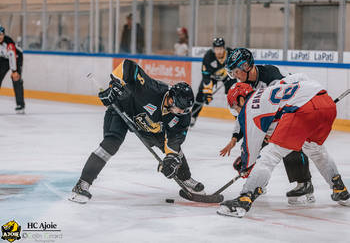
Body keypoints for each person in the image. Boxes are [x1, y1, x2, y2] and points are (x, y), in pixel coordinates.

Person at [69, 59, 205, 204]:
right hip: (122, 111)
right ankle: (82, 184)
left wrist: (171, 158)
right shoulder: (153, 89)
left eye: (186, 110)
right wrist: (114, 87)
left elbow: (174, 139)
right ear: (171, 100)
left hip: (149, 127)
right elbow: (128, 66)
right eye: (181, 108)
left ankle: (186, 179)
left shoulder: (182, 116)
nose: (183, 112)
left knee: (176, 153)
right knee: (110, 144)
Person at [217, 80, 350, 218]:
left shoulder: (250, 107)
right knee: (314, 149)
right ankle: (339, 188)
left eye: (235, 107)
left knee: (269, 155)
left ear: (241, 99)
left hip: (303, 110)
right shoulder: (266, 93)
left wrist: (245, 167)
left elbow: (251, 149)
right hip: (326, 104)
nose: (238, 112)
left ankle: (244, 199)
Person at [220, 48, 314, 205]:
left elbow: (284, 105)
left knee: (289, 144)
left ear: (247, 66)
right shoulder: (242, 86)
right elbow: (244, 117)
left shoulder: (271, 75)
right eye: (233, 73)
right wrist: (235, 138)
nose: (235, 76)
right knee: (243, 161)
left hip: (291, 112)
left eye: (236, 71)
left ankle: (305, 184)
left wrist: (275, 131)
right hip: (268, 121)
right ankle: (259, 184)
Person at [190, 37, 237, 127]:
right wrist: (207, 93)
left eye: (220, 49)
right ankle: (193, 116)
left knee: (233, 95)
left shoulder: (230, 54)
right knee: (201, 94)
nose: (219, 51)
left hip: (228, 76)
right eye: (216, 49)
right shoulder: (208, 56)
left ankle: (238, 118)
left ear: (224, 48)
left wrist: (234, 73)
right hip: (212, 77)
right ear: (213, 49)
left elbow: (237, 66)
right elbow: (206, 76)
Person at [0, 25, 25, 114]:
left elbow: (12, 57)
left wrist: (14, 71)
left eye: (1, 34)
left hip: (16, 57)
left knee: (16, 79)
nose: (0, 37)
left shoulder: (9, 42)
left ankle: (20, 105)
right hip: (3, 58)